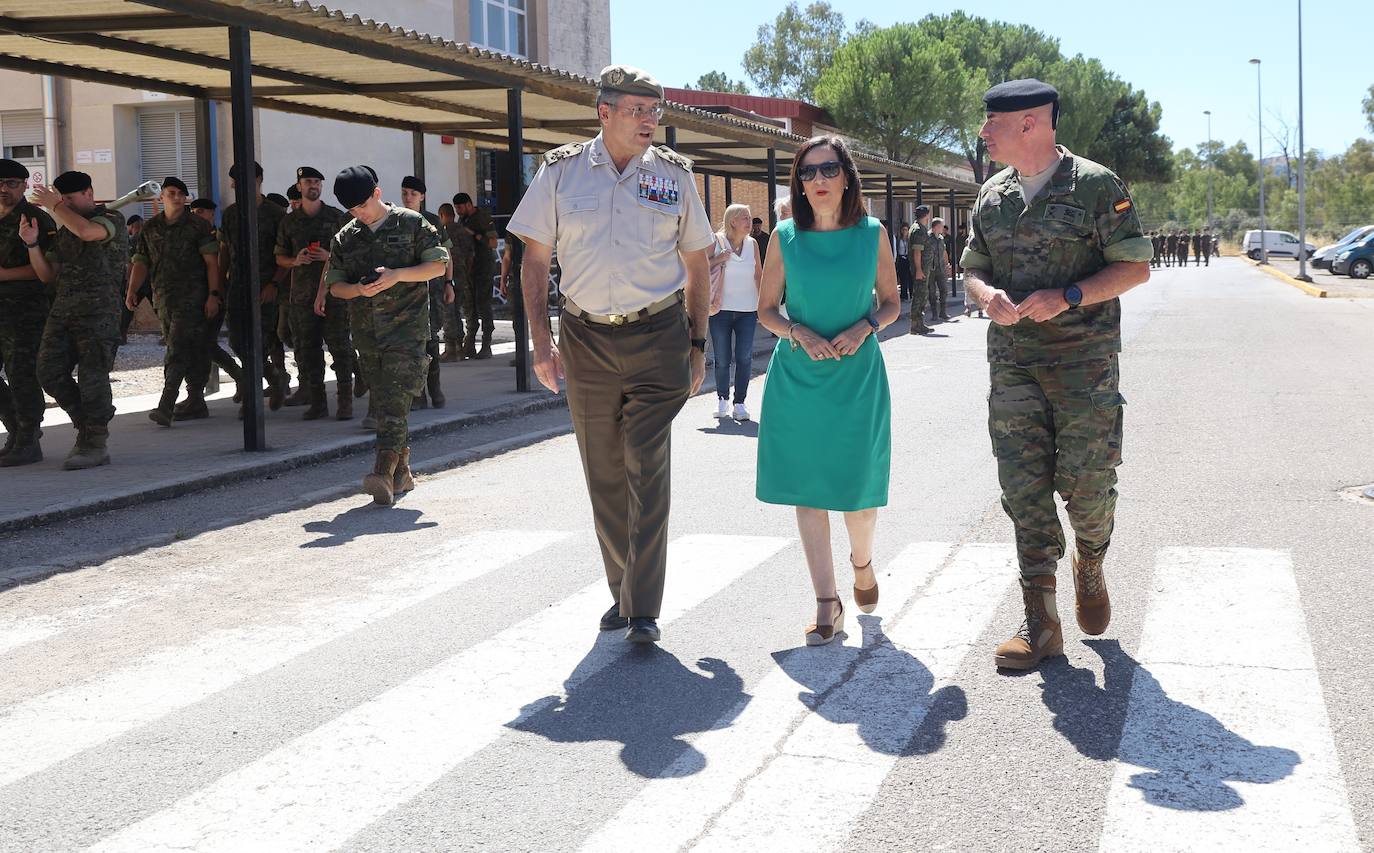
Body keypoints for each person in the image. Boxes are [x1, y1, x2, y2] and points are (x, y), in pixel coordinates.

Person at [507, 64, 712, 645]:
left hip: (658, 337)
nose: (650, 121)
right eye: (637, 110)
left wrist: (698, 345)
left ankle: (642, 607)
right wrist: (541, 343)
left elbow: (696, 264)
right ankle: (621, 590)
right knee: (603, 470)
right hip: (585, 338)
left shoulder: (673, 178)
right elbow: (535, 260)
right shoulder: (561, 172)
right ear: (605, 113)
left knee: (645, 462)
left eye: (655, 111)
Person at [960, 79, 1152, 671]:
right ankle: (1040, 620)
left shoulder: (1097, 186)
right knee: (1023, 488)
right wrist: (986, 294)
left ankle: (1090, 559)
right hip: (1014, 365)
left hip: (1083, 368)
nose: (984, 132)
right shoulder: (991, 197)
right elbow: (972, 271)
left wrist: (1068, 295)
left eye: (994, 123)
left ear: (1031, 124)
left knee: (1089, 485)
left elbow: (1135, 268)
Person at [755, 135, 898, 646]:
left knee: (858, 494)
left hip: (857, 377)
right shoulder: (784, 237)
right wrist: (799, 332)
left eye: (827, 169)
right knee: (808, 488)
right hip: (799, 378)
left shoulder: (873, 234)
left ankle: (862, 564)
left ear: (846, 175)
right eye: (808, 172)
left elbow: (891, 302)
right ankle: (826, 601)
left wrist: (865, 327)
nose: (817, 180)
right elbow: (767, 311)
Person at [325, 166, 448, 505]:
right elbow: (335, 287)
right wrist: (358, 292)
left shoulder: (411, 223)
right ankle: (402, 472)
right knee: (387, 402)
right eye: (352, 210)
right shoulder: (346, 237)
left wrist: (398, 275)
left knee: (394, 400)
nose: (359, 214)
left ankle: (381, 470)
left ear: (377, 194)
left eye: (362, 206)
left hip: (407, 332)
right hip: (367, 335)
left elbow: (438, 265)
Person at [27, 171, 127, 469]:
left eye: (69, 199)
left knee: (92, 377)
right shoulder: (65, 229)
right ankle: (87, 423)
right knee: (48, 371)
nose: (65, 205)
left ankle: (95, 443)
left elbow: (88, 232)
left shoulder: (111, 219)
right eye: (62, 199)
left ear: (89, 193)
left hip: (99, 314)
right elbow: (47, 275)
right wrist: (32, 245)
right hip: (63, 311)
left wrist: (55, 205)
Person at [127, 177, 222, 425]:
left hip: (193, 297)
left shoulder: (197, 226)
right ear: (162, 197)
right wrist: (132, 290)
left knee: (177, 348)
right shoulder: (150, 228)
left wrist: (214, 295)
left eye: (181, 193)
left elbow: (212, 263)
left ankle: (166, 404)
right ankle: (196, 400)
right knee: (187, 346)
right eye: (171, 193)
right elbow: (141, 262)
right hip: (163, 298)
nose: (177, 197)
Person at [275, 165, 353, 420]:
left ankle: (345, 402)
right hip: (301, 298)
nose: (313, 186)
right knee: (308, 351)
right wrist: (295, 261)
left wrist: (329, 256)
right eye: (308, 181)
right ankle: (318, 401)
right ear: (299, 186)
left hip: (334, 295)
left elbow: (351, 255)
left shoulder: (337, 217)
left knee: (340, 348)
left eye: (317, 182)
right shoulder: (289, 221)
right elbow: (279, 257)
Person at [221, 160, 291, 416]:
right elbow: (225, 252)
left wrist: (274, 283)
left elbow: (285, 254)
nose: (235, 186)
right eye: (234, 182)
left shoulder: (275, 214)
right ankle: (275, 377)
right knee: (238, 342)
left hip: (266, 288)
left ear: (259, 180)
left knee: (259, 343)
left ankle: (252, 402)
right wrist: (219, 286)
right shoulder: (230, 214)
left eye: (240, 181)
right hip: (238, 288)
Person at [0, 159, 57, 467]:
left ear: (24, 186)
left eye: (10, 183)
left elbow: (45, 270)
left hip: (24, 312)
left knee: (22, 375)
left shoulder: (35, 219)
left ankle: (28, 438)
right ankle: (15, 431)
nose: (3, 189)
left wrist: (3, 275)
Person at [399, 175, 455, 408]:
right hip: (406, 291)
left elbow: (447, 254)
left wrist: (450, 283)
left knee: (432, 340)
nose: (408, 197)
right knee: (412, 344)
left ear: (422, 196)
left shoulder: (433, 221)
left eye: (413, 194)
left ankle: (435, 387)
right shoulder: (396, 221)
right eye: (405, 193)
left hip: (432, 289)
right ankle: (418, 392)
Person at [706, 203, 762, 421]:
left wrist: (765, 306)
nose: (750, 222)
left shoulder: (753, 244)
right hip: (720, 310)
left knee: (744, 357)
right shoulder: (716, 241)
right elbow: (700, 266)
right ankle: (722, 399)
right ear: (733, 221)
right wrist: (720, 258)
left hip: (748, 311)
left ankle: (740, 402)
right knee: (722, 358)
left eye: (749, 218)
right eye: (745, 218)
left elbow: (758, 274)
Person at [454, 192, 497, 359]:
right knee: (469, 307)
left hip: (483, 267)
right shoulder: (462, 220)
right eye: (456, 208)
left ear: (468, 204)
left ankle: (486, 345)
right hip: (468, 269)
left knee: (483, 305)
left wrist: (475, 235)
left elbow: (493, 243)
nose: (458, 211)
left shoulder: (483, 217)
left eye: (459, 207)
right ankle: (469, 344)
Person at [437, 201, 472, 361]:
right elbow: (470, 253)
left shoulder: (443, 231)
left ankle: (451, 348)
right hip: (463, 275)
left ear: (442, 215)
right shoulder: (462, 230)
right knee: (457, 311)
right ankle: (459, 346)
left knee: (449, 312)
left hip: (449, 277)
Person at [907, 205, 931, 334]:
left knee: (922, 295)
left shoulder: (919, 228)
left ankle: (919, 323)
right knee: (919, 296)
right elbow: (917, 251)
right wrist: (919, 270)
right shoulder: (918, 230)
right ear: (926, 215)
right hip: (920, 269)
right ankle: (915, 325)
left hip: (922, 268)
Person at [925, 216, 953, 322]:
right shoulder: (927, 237)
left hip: (941, 268)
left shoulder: (941, 238)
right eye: (941, 226)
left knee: (944, 290)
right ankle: (934, 313)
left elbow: (944, 252)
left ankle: (943, 312)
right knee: (931, 292)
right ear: (936, 227)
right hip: (930, 269)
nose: (943, 228)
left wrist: (947, 264)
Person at [894, 219, 912, 302]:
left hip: (908, 259)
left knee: (910, 278)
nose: (905, 231)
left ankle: (912, 295)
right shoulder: (898, 239)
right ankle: (903, 296)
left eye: (906, 229)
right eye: (903, 230)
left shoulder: (910, 240)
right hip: (901, 259)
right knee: (903, 278)